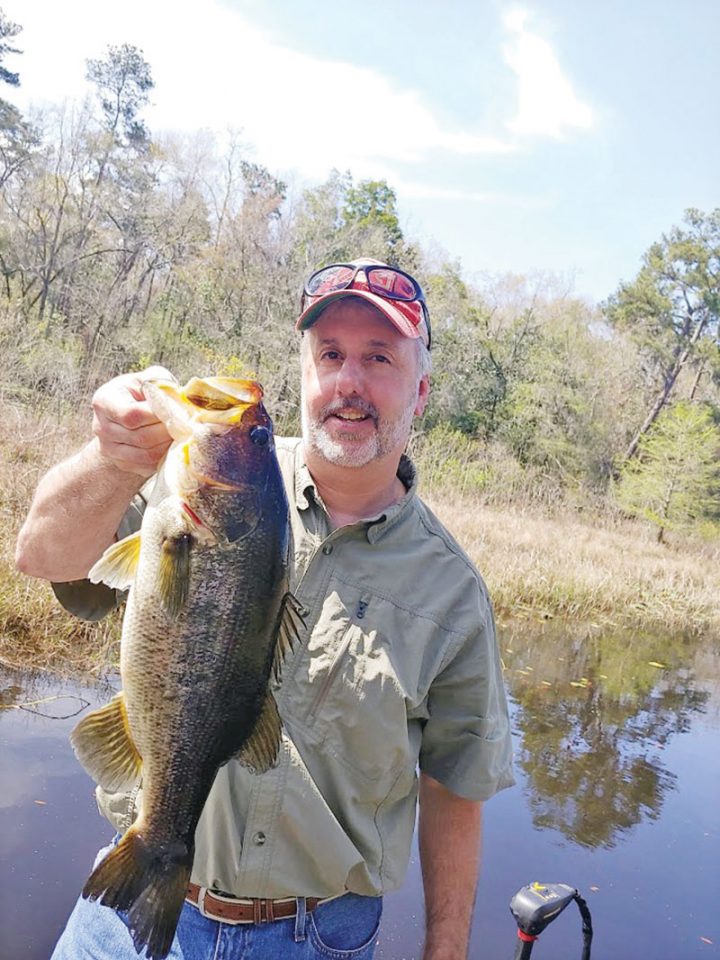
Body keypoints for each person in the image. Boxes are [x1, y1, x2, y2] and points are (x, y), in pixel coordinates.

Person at [16, 259, 514, 960]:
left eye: (379, 358)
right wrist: (112, 459)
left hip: (320, 939)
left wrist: (446, 951)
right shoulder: (205, 476)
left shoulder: (454, 593)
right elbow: (43, 557)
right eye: (330, 354)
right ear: (306, 373)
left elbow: (456, 788)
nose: (350, 381)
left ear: (421, 389)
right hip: (125, 910)